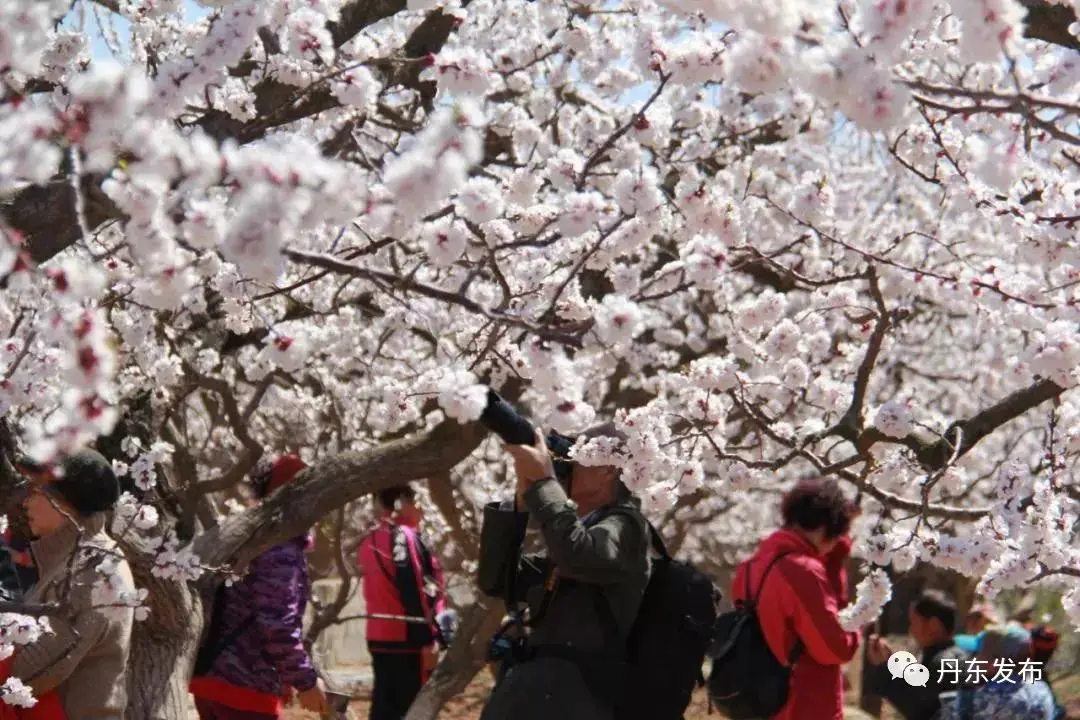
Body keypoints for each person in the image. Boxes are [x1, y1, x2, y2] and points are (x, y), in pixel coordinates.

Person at [477, 425, 650, 720]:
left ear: (608, 470)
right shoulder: (579, 534)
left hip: (576, 702)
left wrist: (545, 482)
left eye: (575, 460)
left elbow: (577, 553)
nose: (564, 470)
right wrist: (519, 505)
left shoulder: (626, 526)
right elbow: (496, 581)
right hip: (531, 698)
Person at [189, 454, 327, 719]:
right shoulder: (279, 547)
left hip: (217, 681)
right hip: (243, 689)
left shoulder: (255, 535)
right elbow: (276, 623)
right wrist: (306, 682)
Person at [5, 449, 134, 718]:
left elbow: (31, 671)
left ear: (64, 503)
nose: (25, 502)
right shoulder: (74, 559)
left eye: (35, 490)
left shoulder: (94, 571)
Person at [730, 477, 859, 720]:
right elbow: (835, 648)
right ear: (825, 528)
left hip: (758, 704)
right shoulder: (803, 571)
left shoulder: (749, 567)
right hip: (802, 706)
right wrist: (855, 622)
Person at [356, 484, 448, 720]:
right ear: (402, 503)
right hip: (407, 638)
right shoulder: (403, 537)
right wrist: (429, 637)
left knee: (384, 707)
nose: (421, 507)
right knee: (412, 709)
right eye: (416, 501)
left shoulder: (370, 538)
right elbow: (413, 587)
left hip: (379, 634)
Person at [867, 589, 970, 720]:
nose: (911, 629)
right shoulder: (958, 656)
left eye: (913, 622)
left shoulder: (942, 663)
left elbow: (917, 707)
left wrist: (884, 668)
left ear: (933, 625)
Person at [939, 625, 1056, 720]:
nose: (974, 658)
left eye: (979, 653)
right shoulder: (1042, 690)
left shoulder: (982, 701)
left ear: (995, 663)